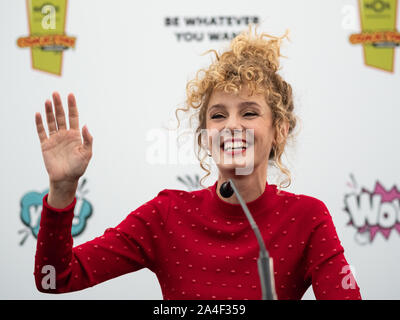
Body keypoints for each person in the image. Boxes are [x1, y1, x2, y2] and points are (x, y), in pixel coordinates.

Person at [34, 26, 361, 300]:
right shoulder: (166, 215)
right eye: (219, 115)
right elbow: (56, 279)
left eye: (249, 112)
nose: (232, 125)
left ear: (279, 131)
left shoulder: (308, 218)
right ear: (206, 135)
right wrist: (62, 190)